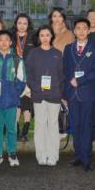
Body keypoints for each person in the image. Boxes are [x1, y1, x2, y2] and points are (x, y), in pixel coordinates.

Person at [63, 18, 95, 172]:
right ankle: (78, 155)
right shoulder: (68, 48)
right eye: (78, 28)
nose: (81, 31)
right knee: (76, 126)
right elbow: (65, 70)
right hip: (72, 95)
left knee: (87, 126)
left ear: (88, 30)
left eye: (84, 28)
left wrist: (80, 81)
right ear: (74, 31)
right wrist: (65, 93)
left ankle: (86, 158)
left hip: (87, 93)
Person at [0, 30, 27, 168]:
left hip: (11, 101)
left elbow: (22, 80)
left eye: (6, 39)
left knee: (12, 128)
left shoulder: (17, 59)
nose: (3, 42)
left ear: (10, 42)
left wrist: (13, 93)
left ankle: (12, 153)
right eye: (0, 39)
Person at [25, 26, 64, 166]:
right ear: (39, 37)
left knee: (53, 125)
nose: (45, 38)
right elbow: (28, 74)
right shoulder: (33, 53)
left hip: (54, 95)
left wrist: (61, 93)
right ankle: (41, 155)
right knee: (40, 126)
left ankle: (53, 155)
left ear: (51, 36)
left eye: (47, 35)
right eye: (42, 35)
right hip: (38, 95)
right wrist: (36, 88)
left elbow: (62, 76)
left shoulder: (57, 53)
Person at [12, 13, 35, 142]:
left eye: (25, 23)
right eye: (19, 23)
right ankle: (16, 130)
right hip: (14, 76)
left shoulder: (33, 38)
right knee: (16, 103)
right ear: (16, 24)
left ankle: (25, 132)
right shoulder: (10, 37)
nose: (22, 26)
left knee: (27, 103)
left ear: (28, 25)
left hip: (29, 75)